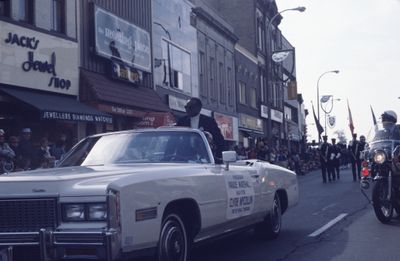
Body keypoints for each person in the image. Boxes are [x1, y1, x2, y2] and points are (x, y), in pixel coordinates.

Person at [176, 97, 225, 162]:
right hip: (184, 157)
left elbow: (218, 139)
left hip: (205, 156)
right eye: (186, 107)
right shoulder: (182, 121)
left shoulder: (209, 121)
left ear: (198, 108)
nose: (187, 110)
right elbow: (175, 139)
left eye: (190, 107)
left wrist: (220, 156)